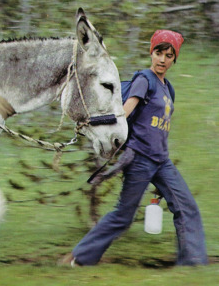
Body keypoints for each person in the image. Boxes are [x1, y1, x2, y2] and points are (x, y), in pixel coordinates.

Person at [63, 30, 208, 266]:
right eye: (159, 52)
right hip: (140, 159)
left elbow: (160, 127)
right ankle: (80, 257)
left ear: (174, 59)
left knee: (186, 206)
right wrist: (96, 123)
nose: (162, 59)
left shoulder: (168, 89)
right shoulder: (144, 79)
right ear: (151, 52)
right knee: (123, 216)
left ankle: (193, 264)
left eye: (169, 55)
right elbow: (123, 113)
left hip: (162, 162)